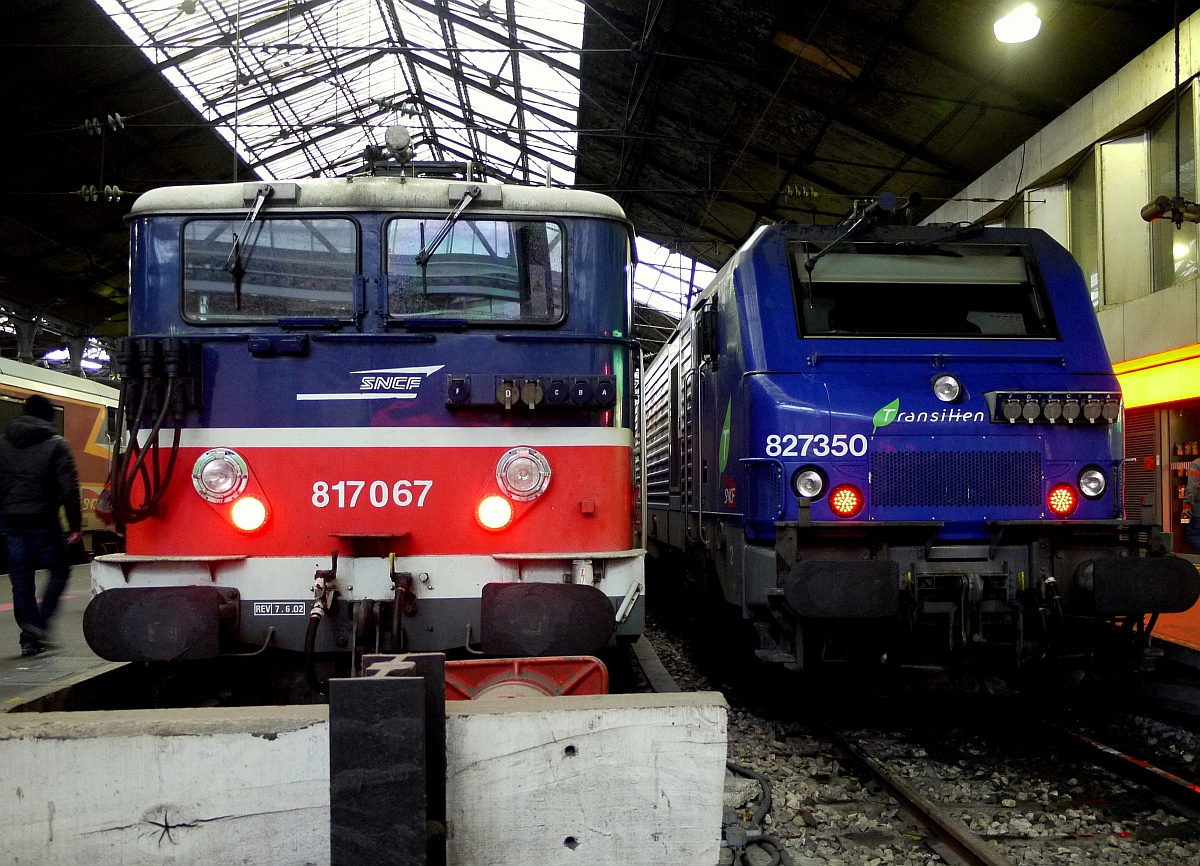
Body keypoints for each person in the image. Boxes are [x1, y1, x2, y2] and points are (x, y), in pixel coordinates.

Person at [0, 395, 82, 656]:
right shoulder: (57, 445)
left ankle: (29, 638)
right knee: (60, 570)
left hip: (11, 522)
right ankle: (39, 625)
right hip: (44, 521)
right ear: (48, 417)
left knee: (21, 583)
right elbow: (69, 490)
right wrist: (75, 525)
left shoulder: (3, 444)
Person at [1187, 453, 1200, 554]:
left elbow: (1192, 486)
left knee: (1194, 534)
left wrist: (1187, 504)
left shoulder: (1197, 464)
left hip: (1198, 510)